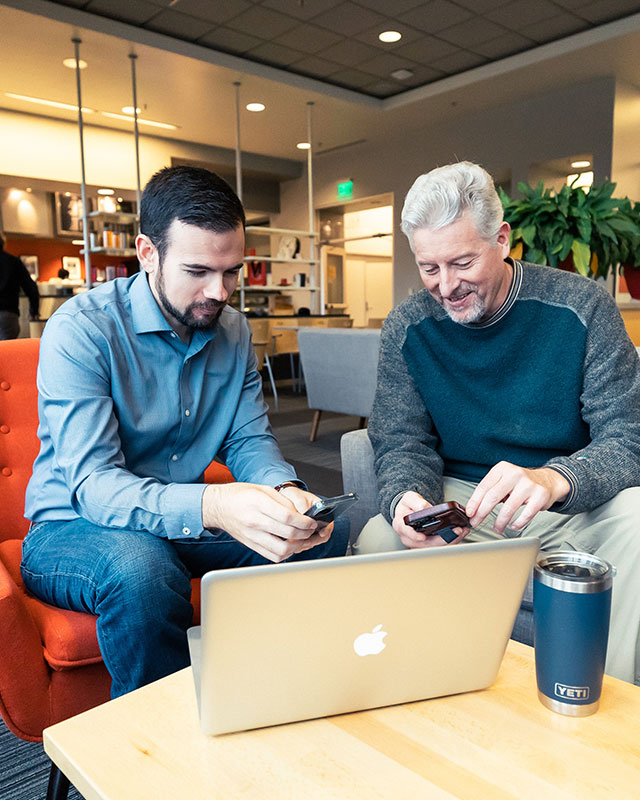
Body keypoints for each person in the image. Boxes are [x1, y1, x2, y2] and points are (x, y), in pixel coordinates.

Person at [20, 166, 349, 698]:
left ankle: (272, 704)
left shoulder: (234, 330)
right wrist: (215, 507)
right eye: (197, 270)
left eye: (232, 271)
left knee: (326, 533)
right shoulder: (81, 330)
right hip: (72, 529)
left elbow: (248, 439)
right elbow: (95, 487)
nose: (218, 292)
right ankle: (158, 765)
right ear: (147, 252)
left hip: (176, 527)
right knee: (142, 569)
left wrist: (285, 493)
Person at [357, 161, 640, 686]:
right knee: (377, 540)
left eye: (462, 262)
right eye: (429, 267)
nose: (446, 286)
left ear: (502, 239)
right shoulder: (407, 327)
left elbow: (628, 437)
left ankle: (612, 721)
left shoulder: (582, 307)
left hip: (568, 502)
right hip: (463, 505)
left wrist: (555, 479)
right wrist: (406, 503)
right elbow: (401, 441)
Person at [0, 234, 39, 339]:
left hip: (7, 315)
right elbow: (30, 287)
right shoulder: (13, 262)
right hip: (7, 315)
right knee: (6, 352)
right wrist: (34, 310)